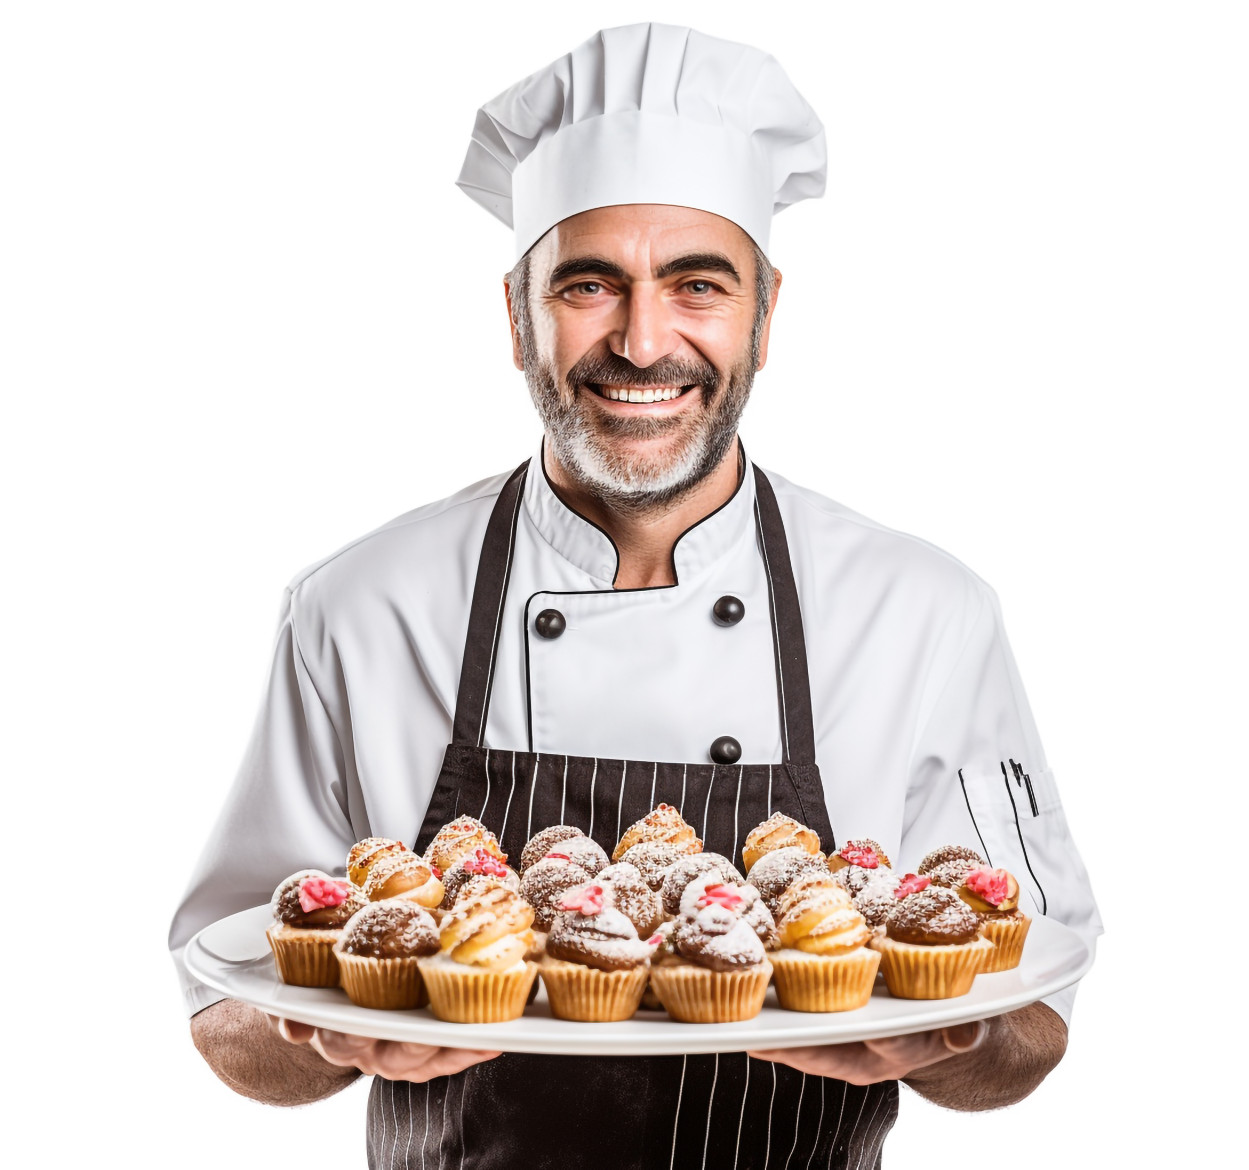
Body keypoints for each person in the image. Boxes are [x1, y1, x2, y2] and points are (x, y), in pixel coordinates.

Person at [170, 22, 1102, 1168]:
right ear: (516, 315)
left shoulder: (920, 610)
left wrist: (937, 1038)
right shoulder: (359, 606)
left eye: (696, 285)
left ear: (765, 314)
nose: (643, 340)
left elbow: (1028, 1031)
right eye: (588, 284)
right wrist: (320, 1038)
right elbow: (226, 1015)